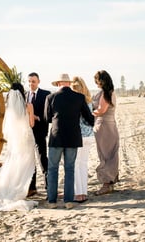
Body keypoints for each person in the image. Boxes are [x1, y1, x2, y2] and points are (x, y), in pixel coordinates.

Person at [0, 82, 37, 211]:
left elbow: (8, 127)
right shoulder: (29, 106)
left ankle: (11, 187)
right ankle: (20, 189)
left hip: (15, 140)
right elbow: (31, 124)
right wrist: (33, 117)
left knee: (14, 163)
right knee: (26, 164)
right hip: (26, 139)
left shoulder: (10, 109)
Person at [45, 73, 94, 209]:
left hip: (56, 137)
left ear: (59, 83)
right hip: (73, 137)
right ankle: (68, 201)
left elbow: (47, 118)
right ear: (68, 83)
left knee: (53, 169)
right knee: (70, 169)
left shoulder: (50, 97)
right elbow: (89, 118)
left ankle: (52, 201)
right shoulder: (79, 97)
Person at [92, 70, 120, 195]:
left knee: (105, 154)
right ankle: (110, 180)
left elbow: (101, 110)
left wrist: (89, 112)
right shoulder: (110, 92)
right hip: (110, 125)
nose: (96, 83)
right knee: (110, 153)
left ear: (101, 80)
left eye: (97, 81)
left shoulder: (105, 94)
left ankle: (107, 183)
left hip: (104, 126)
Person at [26, 72, 51, 197]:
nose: (31, 84)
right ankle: (32, 188)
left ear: (39, 81)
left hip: (40, 131)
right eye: (29, 81)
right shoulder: (24, 95)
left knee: (42, 159)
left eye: (33, 81)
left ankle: (48, 186)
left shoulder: (46, 94)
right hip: (27, 133)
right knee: (30, 160)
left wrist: (37, 117)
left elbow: (49, 114)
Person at [71, 76, 95, 203]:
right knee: (83, 165)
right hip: (90, 135)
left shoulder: (76, 102)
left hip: (79, 136)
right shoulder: (89, 101)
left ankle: (78, 194)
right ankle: (84, 193)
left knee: (75, 164)